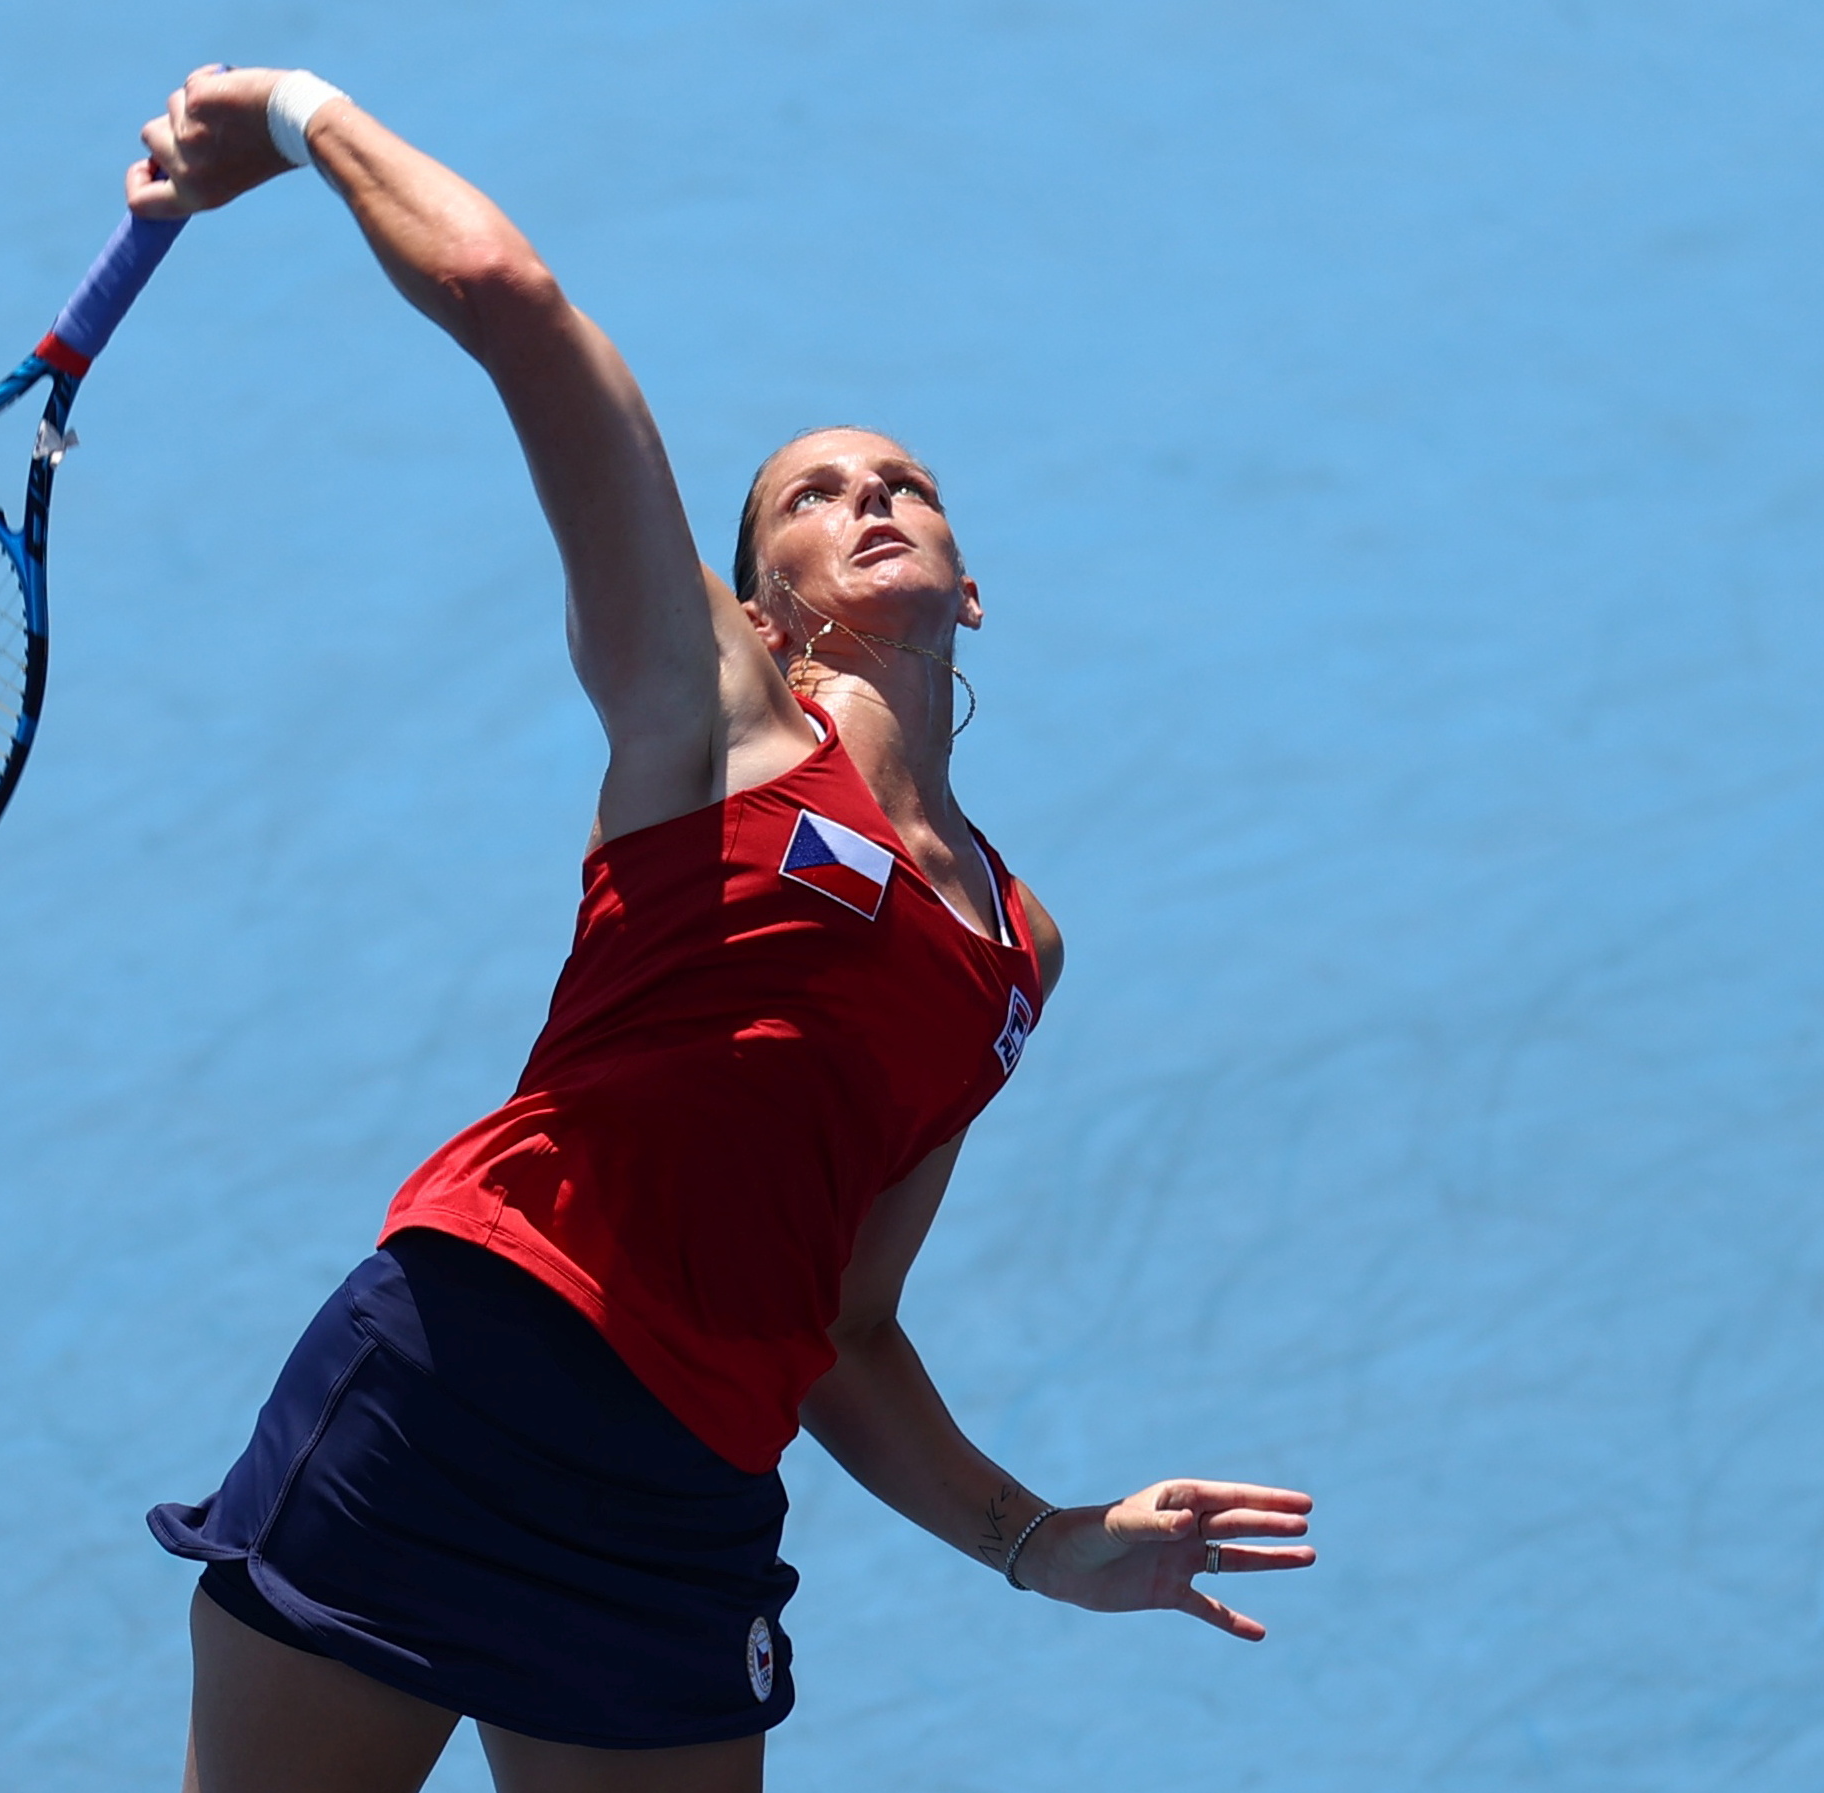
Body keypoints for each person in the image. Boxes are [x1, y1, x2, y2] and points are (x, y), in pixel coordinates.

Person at [125, 66, 1317, 1793]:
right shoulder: (722, 725)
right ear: (764, 602)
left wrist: (1036, 1536)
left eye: (905, 479)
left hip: (682, 1505)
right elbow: (513, 307)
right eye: (819, 494)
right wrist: (300, 114)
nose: (873, 497)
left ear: (970, 584)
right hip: (462, 1381)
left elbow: (837, 1320)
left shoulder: (1012, 952)